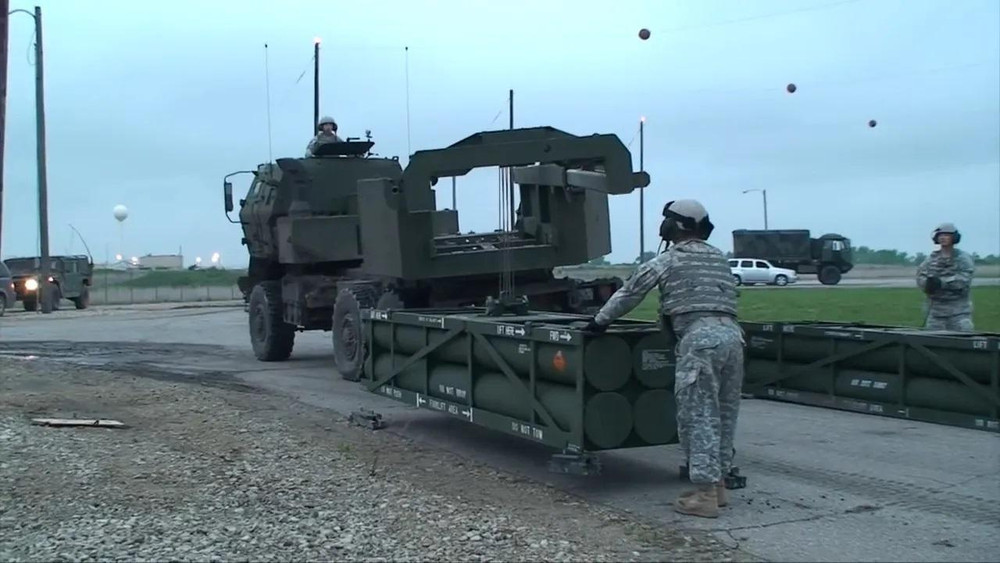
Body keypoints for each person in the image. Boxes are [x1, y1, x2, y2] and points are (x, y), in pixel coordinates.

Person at [584, 199, 744, 519]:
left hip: (700, 341)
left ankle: (704, 495)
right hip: (733, 339)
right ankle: (718, 485)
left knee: (698, 416)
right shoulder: (719, 258)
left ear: (677, 226)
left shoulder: (670, 259)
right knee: (724, 414)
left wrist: (599, 322)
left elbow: (631, 293)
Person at [916, 222, 975, 331]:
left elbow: (964, 279)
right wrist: (927, 284)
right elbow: (921, 276)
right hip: (935, 313)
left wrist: (942, 282)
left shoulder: (963, 258)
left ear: (954, 237)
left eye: (947, 235)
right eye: (940, 235)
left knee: (962, 338)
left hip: (959, 313)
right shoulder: (931, 258)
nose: (943, 237)